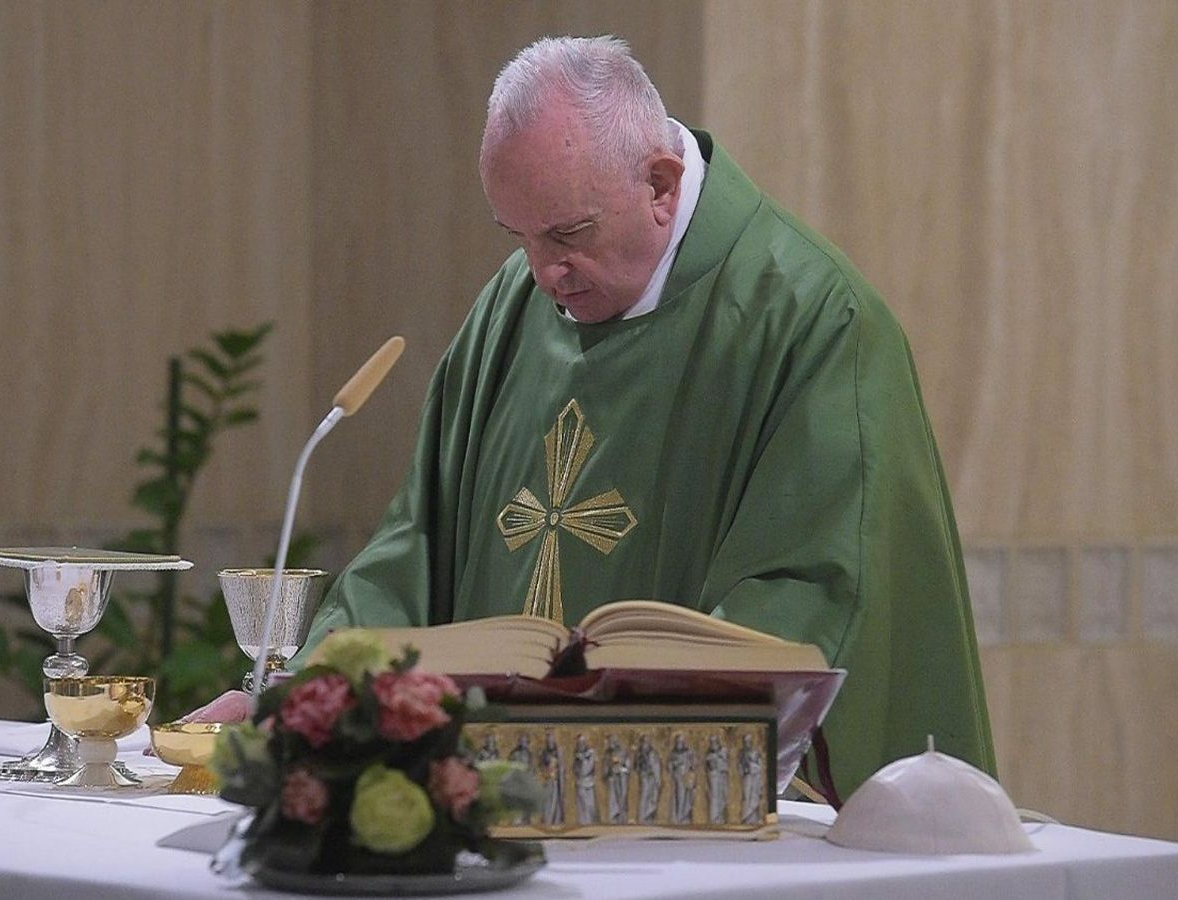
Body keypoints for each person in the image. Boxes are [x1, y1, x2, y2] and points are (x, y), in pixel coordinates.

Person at [286, 34, 993, 798]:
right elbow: (416, 544)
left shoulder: (813, 321)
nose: (541, 271)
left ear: (661, 183)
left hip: (681, 818)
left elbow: (812, 593)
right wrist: (304, 702)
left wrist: (608, 756)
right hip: (502, 807)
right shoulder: (512, 309)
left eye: (567, 234)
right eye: (518, 236)